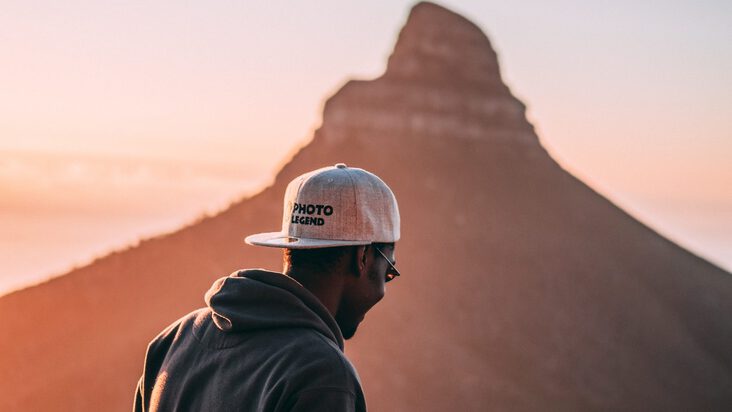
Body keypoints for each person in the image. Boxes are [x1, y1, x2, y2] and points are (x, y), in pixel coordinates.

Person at [134, 163, 401, 412]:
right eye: (389, 269)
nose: (384, 287)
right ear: (362, 258)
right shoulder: (323, 377)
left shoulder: (173, 342)